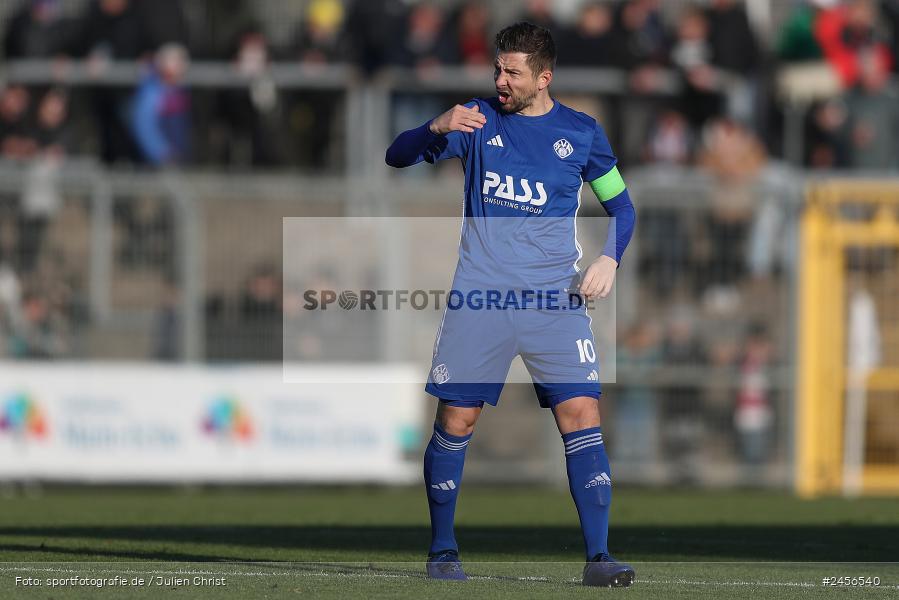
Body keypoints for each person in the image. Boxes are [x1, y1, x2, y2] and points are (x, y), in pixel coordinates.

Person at [385, 22, 636, 587]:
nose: (500, 80)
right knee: (457, 417)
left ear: (543, 78)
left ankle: (598, 559)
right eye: (497, 69)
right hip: (482, 297)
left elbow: (624, 210)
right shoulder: (474, 120)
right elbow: (395, 156)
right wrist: (436, 125)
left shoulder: (583, 132)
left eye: (512, 72)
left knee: (583, 415)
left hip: (555, 300)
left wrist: (609, 260)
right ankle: (442, 551)